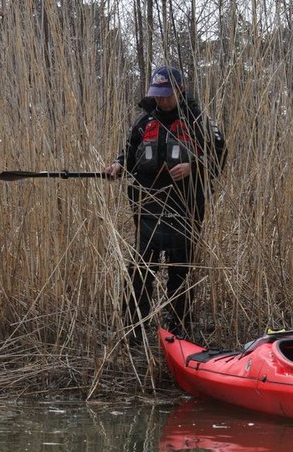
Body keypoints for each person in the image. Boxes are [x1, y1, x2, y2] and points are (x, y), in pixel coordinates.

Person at [106, 65, 225, 341]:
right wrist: (117, 165)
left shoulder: (199, 121)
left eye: (166, 95)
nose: (161, 100)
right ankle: (134, 327)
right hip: (147, 207)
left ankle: (177, 330)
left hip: (185, 207)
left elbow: (219, 157)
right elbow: (127, 152)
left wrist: (193, 166)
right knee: (141, 269)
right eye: (157, 94)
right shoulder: (143, 121)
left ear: (180, 90)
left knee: (179, 271)